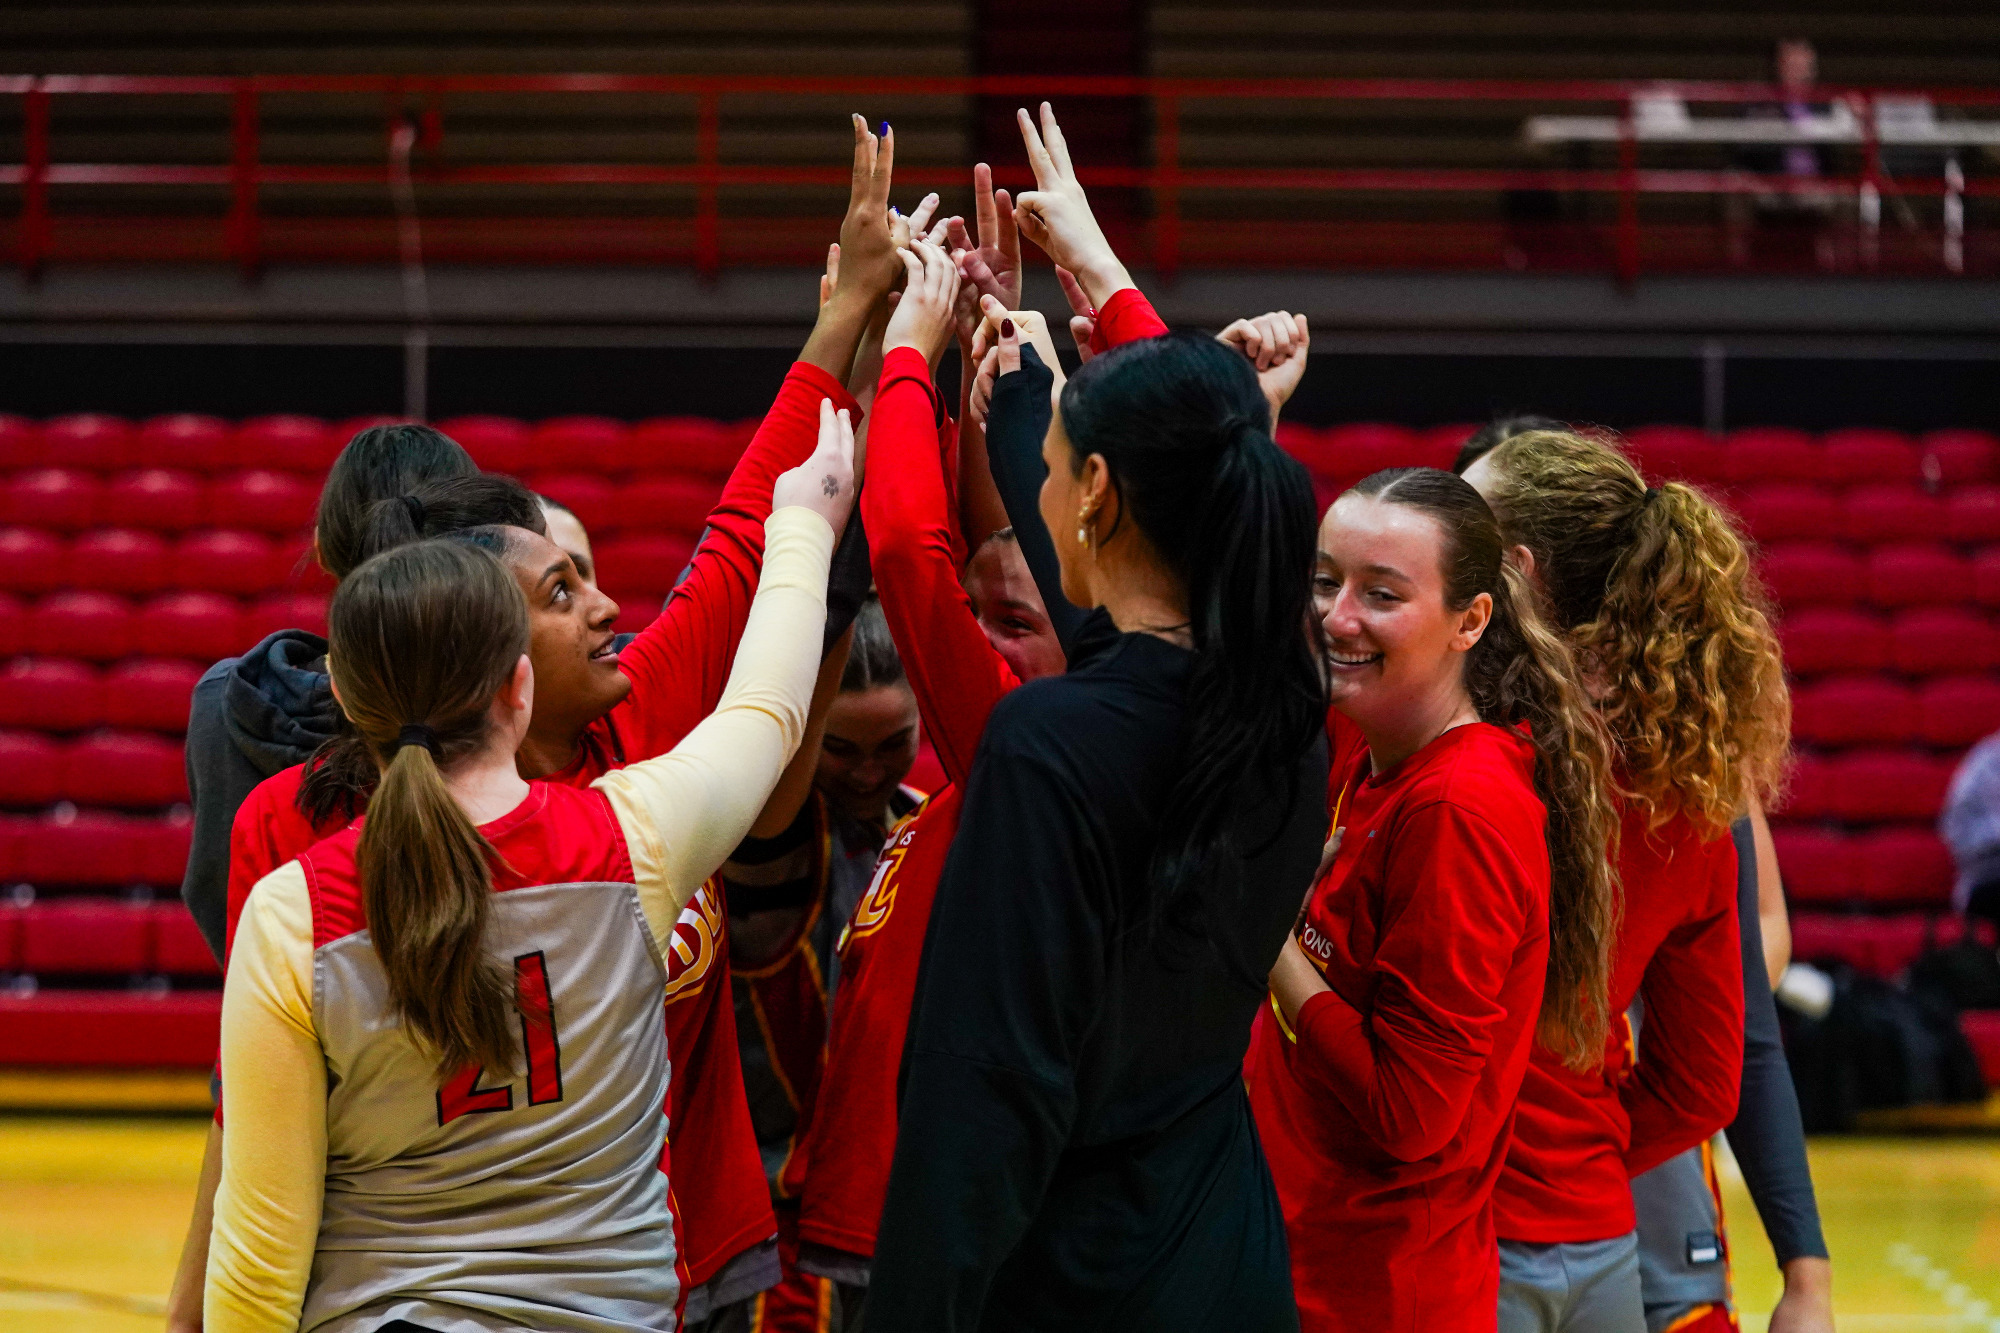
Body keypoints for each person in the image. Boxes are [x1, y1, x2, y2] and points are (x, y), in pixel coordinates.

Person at [181, 112, 916, 1333]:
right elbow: (764, 631)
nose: (608, 603)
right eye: (562, 589)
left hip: (671, 1263)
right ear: (507, 670)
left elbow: (733, 550)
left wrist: (845, 321)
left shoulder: (305, 896)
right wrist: (822, 498)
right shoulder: (618, 834)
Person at [205, 408, 850, 1332]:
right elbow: (768, 708)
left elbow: (259, 1262)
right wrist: (802, 524)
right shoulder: (630, 841)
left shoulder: (292, 912)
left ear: (348, 694)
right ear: (521, 686)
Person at [867, 314, 1330, 1328]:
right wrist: (1031, 388)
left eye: (1049, 469)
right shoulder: (1287, 720)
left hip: (1068, 1277)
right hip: (1221, 1251)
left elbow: (984, 1091)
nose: (1035, 492)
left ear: (1097, 493)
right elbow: (1127, 640)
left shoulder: (1047, 745)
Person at [1454, 424, 1833, 1333]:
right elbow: (1720, 1063)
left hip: (1469, 1218)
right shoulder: (1685, 784)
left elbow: (1744, 1020)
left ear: (1515, 567)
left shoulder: (1445, 752)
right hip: (1592, 1202)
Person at [1246, 466, 1621, 1333]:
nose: (1339, 616)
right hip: (1313, 1267)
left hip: (1377, 1298)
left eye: (1382, 594)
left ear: (1472, 620)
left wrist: (1271, 943)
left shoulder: (1459, 808)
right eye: (1326, 580)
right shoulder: (1374, 735)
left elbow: (1410, 1114)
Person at [792, 237, 1068, 1326]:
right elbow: (988, 550)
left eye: (1006, 626)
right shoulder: (1009, 749)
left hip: (938, 1228)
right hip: (879, 1207)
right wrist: (977, 354)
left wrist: (903, 352)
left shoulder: (1025, 752)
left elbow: (912, 550)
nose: (973, 633)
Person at [179, 423, 508, 966]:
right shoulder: (507, 687)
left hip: (289, 1017)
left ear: (322, 551)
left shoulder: (224, 701)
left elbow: (222, 908)